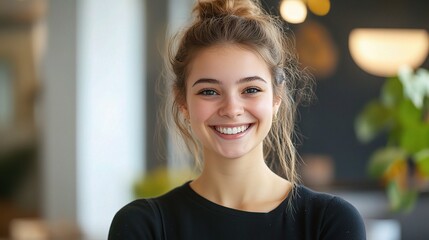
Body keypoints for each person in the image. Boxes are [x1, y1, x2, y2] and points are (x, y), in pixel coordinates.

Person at [108, 0, 366, 239]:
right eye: (209, 91)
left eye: (250, 90)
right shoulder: (143, 226)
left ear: (276, 98)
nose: (232, 109)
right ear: (183, 102)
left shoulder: (329, 222)